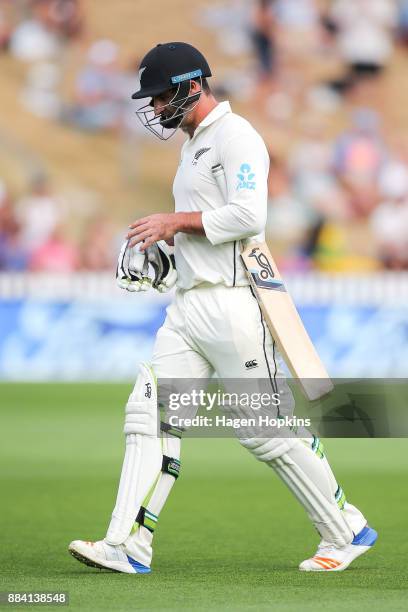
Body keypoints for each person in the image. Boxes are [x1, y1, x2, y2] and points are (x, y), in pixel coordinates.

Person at [68, 42, 377, 574]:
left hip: (235, 307)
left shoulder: (237, 137)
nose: (156, 107)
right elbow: (205, 226)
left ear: (193, 85)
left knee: (264, 430)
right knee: (151, 415)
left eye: (163, 95)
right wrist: (166, 257)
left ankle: (345, 528)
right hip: (189, 306)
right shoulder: (191, 147)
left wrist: (174, 222)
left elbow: (249, 217)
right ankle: (126, 544)